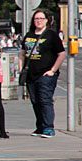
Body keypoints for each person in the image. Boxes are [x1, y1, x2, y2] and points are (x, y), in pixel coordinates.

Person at [21, 9, 66, 138]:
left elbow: (61, 54)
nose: (39, 21)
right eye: (36, 19)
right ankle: (40, 127)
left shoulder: (51, 35)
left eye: (41, 18)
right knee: (35, 101)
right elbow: (22, 53)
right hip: (31, 75)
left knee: (45, 100)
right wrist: (21, 69)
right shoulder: (29, 35)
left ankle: (48, 128)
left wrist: (53, 70)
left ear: (46, 21)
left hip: (45, 75)